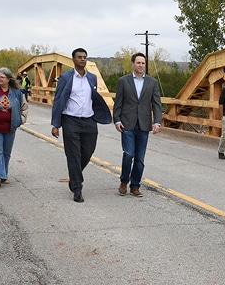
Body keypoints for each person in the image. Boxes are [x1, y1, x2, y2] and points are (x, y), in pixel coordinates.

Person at [50, 48, 112, 203]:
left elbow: (95, 98)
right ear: (73, 59)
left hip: (90, 121)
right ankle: (77, 188)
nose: (83, 60)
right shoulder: (65, 77)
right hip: (71, 120)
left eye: (85, 57)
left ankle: (74, 177)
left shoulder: (92, 77)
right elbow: (58, 100)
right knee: (74, 155)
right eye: (79, 57)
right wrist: (55, 124)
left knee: (87, 152)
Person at [113, 53, 162, 197]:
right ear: (133, 64)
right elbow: (118, 102)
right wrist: (116, 119)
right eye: (138, 63)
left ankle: (135, 186)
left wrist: (157, 122)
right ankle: (124, 181)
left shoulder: (152, 82)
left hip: (144, 124)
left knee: (140, 159)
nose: (141, 65)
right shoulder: (123, 81)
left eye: (143, 63)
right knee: (128, 154)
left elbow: (156, 104)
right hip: (127, 123)